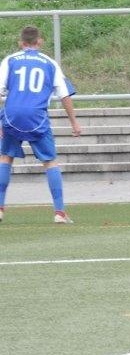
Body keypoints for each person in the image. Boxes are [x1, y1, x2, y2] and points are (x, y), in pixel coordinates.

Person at [0, 26, 82, 224]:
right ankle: (59, 213)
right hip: (37, 117)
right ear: (40, 42)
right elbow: (64, 95)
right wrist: (74, 122)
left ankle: (0, 209)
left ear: (20, 43)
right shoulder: (50, 62)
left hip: (11, 115)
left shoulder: (10, 60)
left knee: (5, 158)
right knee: (50, 162)